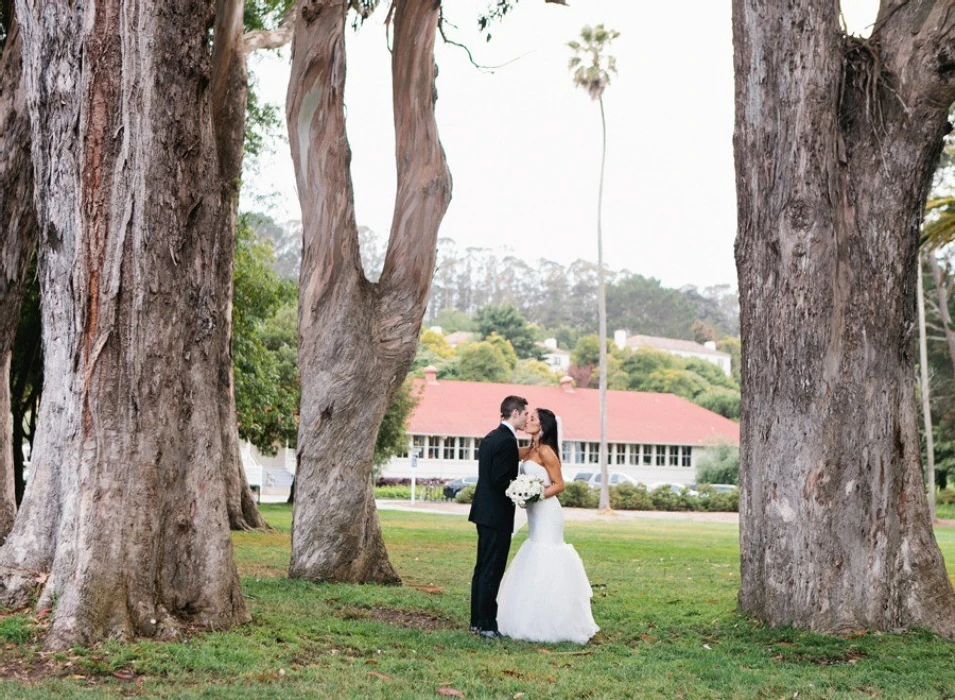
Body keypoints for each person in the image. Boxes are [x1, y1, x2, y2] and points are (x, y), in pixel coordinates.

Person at [496, 408, 599, 644]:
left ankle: (553, 620)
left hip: (548, 514)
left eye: (532, 418)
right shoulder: (530, 450)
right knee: (533, 551)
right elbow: (507, 452)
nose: (527, 420)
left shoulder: (546, 451)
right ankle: (528, 615)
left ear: (543, 426)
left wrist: (534, 495)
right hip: (534, 514)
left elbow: (560, 485)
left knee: (545, 555)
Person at [468, 395, 528, 639]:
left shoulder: (492, 437)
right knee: (492, 569)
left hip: (483, 512)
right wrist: (523, 488)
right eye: (525, 414)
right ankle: (487, 625)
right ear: (514, 413)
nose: (526, 418)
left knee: (482, 567)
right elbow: (500, 479)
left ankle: (476, 621)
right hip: (496, 515)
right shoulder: (506, 441)